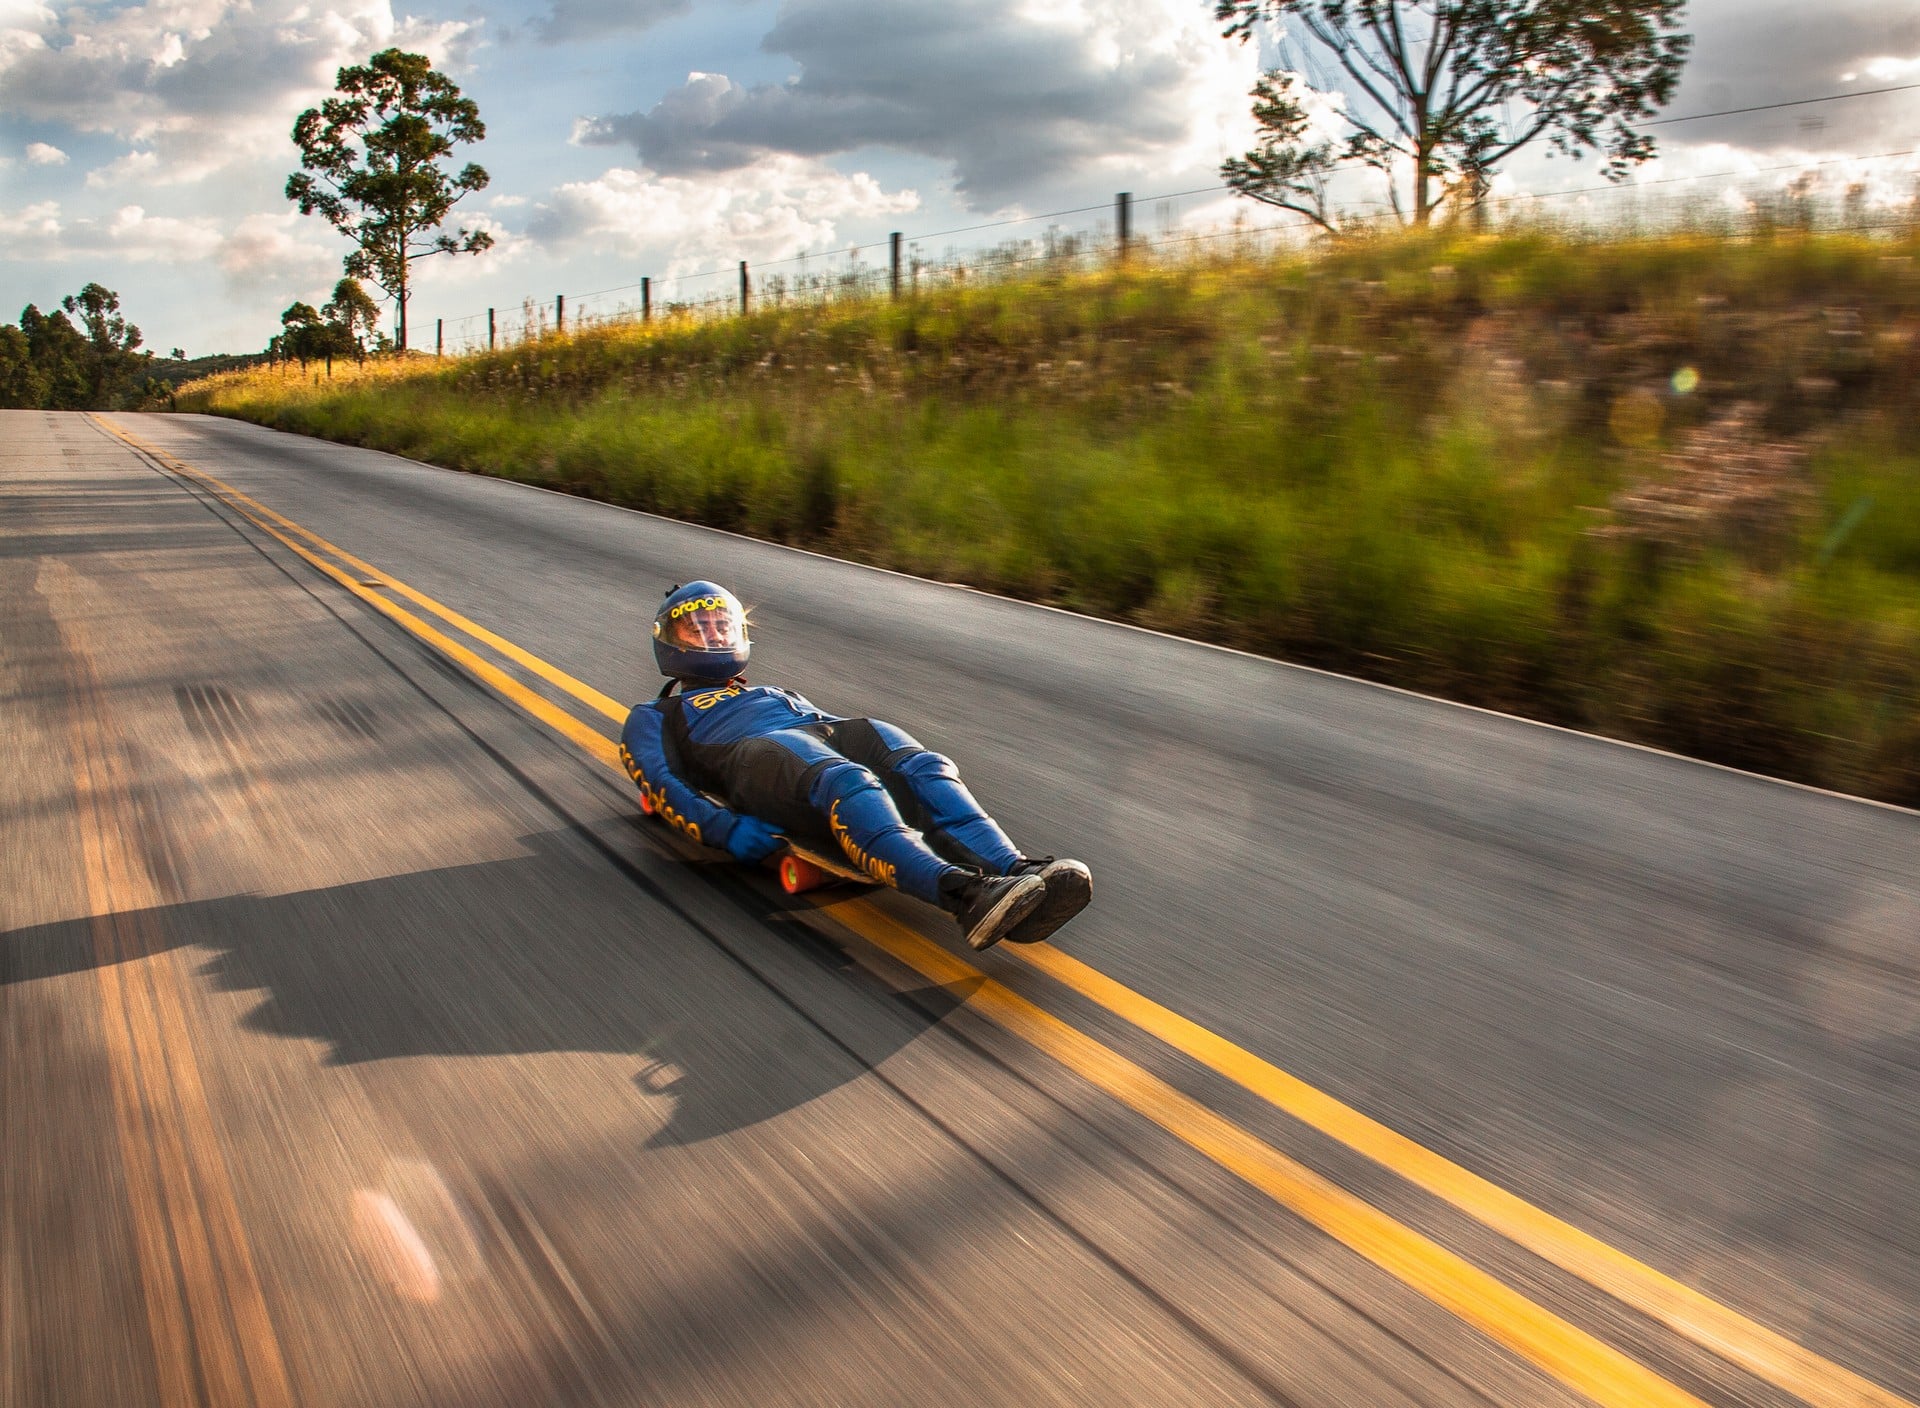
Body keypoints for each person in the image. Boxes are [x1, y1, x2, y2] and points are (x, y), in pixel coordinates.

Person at [621, 581, 1092, 951]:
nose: (712, 635)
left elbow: (826, 727)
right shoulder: (656, 715)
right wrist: (724, 828)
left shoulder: (769, 690)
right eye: (696, 629)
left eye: (721, 625)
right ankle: (966, 896)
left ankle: (1016, 870)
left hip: (819, 730)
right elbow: (662, 783)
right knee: (847, 780)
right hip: (753, 757)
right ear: (669, 644)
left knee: (921, 764)